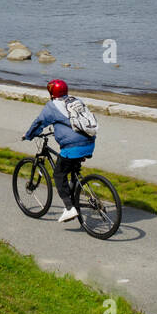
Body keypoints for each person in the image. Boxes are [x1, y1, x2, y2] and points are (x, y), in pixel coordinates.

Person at [23, 79, 95, 222]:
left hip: (73, 147)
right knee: (72, 168)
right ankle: (74, 198)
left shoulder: (52, 106)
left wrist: (29, 135)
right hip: (89, 142)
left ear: (51, 93)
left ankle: (69, 208)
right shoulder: (76, 101)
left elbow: (39, 122)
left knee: (59, 175)